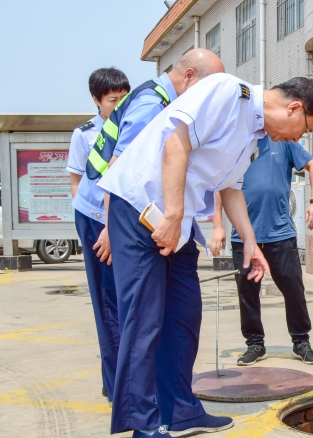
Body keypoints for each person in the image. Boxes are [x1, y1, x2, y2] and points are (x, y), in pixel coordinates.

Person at [98, 74, 313, 438]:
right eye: (304, 129)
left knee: (184, 316)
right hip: (142, 209)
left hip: (177, 220)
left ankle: (181, 410)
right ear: (294, 108)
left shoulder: (253, 135)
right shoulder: (225, 91)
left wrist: (251, 243)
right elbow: (175, 142)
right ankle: (144, 425)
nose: (297, 140)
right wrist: (172, 214)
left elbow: (230, 187)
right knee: (144, 318)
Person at [70, 49, 223, 406]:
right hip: (102, 215)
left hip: (125, 214)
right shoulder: (150, 105)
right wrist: (112, 229)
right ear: (189, 76)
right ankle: (120, 393)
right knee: (117, 309)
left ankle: (139, 390)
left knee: (136, 311)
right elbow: (119, 169)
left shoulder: (160, 99)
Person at [209, 135, 313, 366]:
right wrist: (218, 226)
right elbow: (219, 187)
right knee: (247, 294)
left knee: (293, 290)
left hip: (280, 234)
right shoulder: (236, 141)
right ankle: (255, 344)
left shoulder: (282, 139)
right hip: (243, 237)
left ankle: (301, 341)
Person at [67, 68, 130, 402]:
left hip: (122, 218)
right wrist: (100, 224)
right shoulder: (85, 134)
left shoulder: (135, 125)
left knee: (128, 301)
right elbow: (78, 181)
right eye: (112, 100)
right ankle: (115, 383)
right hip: (95, 219)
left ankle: (129, 375)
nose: (119, 105)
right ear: (96, 100)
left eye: (124, 98)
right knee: (108, 302)